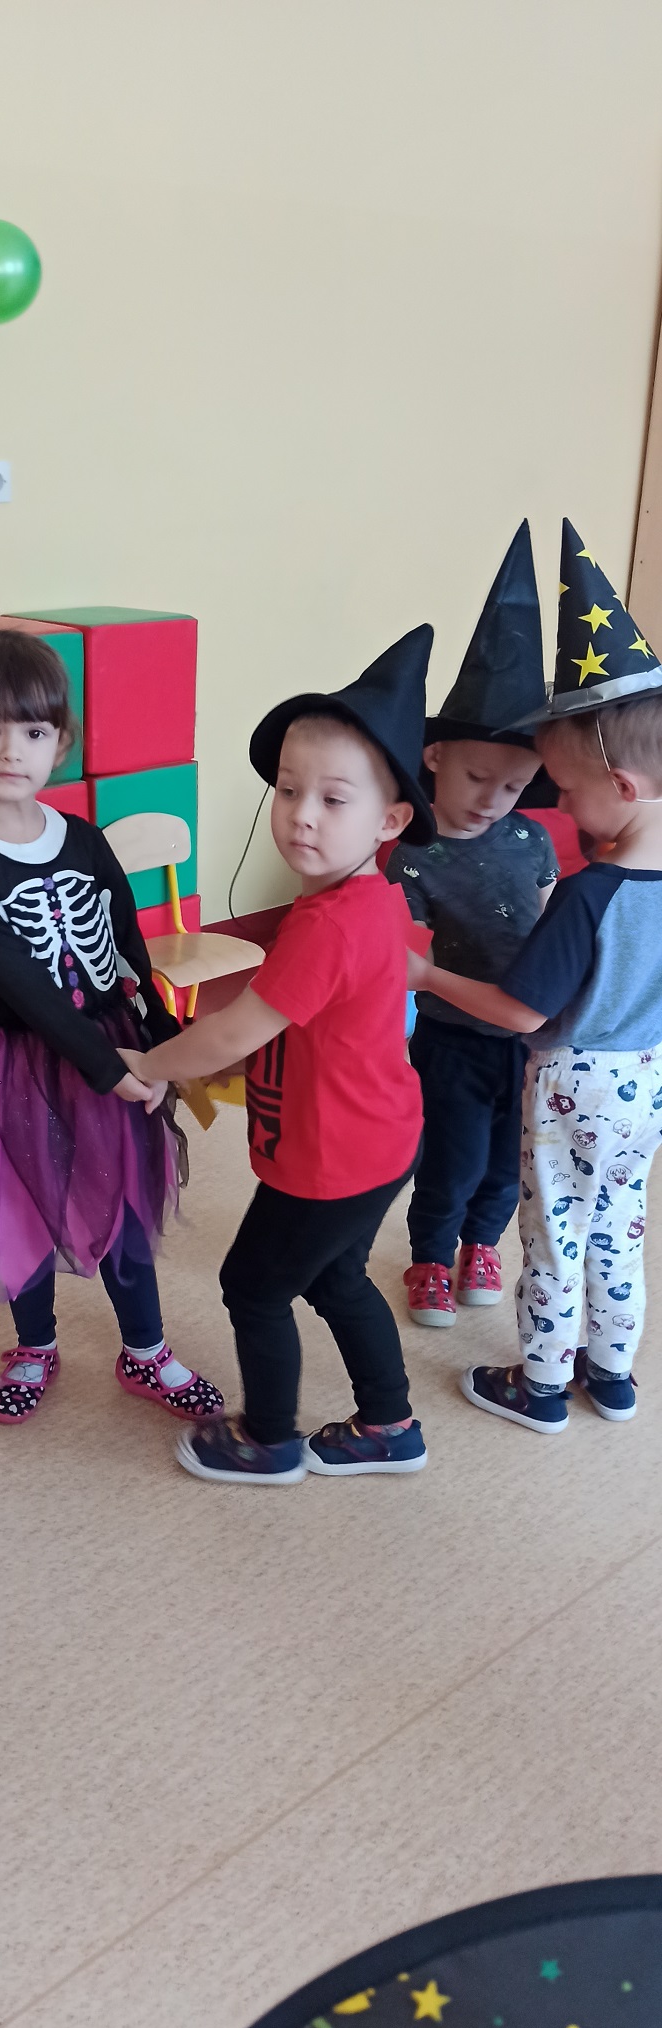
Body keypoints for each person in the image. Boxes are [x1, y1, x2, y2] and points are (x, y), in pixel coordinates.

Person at [121, 628, 435, 1484]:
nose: (301, 813)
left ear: (390, 820)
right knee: (336, 1279)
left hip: (330, 1159)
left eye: (334, 799)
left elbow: (235, 1030)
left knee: (254, 1287)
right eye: (289, 790)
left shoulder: (326, 926)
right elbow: (304, 1029)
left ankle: (267, 1440)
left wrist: (149, 1065)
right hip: (380, 1140)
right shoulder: (371, 902)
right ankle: (390, 1426)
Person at [0, 630, 223, 1427]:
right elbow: (20, 986)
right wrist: (106, 1065)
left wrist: (161, 1040)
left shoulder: (84, 839)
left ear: (62, 741)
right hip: (10, 1058)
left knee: (120, 1199)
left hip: (111, 1041)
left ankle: (145, 1350)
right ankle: (35, 1345)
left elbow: (124, 944)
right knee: (19, 1204)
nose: (9, 750)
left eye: (32, 731)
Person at [408, 518, 662, 1431]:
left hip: (572, 1080)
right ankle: (614, 1376)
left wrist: (426, 977)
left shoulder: (593, 892)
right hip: (646, 1082)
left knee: (554, 1231)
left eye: (568, 790)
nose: (562, 808)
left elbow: (520, 1011)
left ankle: (543, 1385)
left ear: (623, 790)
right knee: (620, 1228)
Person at [385, 522, 558, 1326]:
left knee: (503, 1161)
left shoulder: (531, 840)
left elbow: (550, 921)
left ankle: (480, 1245)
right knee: (451, 1159)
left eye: (514, 786)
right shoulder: (413, 854)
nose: (494, 799)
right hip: (452, 1038)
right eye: (479, 776)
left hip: (524, 1037)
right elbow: (403, 960)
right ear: (435, 758)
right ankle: (429, 1256)